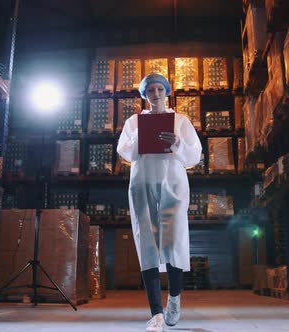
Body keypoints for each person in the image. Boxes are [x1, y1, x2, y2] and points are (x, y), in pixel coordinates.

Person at [117, 73, 202, 332]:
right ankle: (156, 314)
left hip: (172, 184)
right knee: (148, 244)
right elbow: (124, 150)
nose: (155, 94)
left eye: (159, 89)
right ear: (144, 95)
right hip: (143, 184)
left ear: (166, 91)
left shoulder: (180, 121)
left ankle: (174, 300)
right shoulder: (134, 122)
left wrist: (177, 143)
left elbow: (194, 155)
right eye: (150, 90)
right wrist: (140, 138)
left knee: (174, 241)